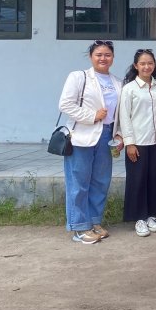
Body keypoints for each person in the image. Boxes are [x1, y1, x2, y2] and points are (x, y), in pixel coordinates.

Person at [58, 40, 123, 244]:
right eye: (99, 54)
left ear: (113, 57)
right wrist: (92, 115)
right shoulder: (79, 77)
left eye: (107, 55)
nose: (103, 58)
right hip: (81, 136)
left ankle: (94, 221)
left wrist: (119, 134)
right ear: (90, 57)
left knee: (100, 181)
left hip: (106, 136)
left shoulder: (117, 82)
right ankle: (79, 227)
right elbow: (65, 104)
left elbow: (119, 113)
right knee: (79, 182)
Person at [118, 49, 156, 238]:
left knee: (155, 179)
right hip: (138, 142)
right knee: (137, 180)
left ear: (154, 64)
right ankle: (139, 218)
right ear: (136, 66)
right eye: (142, 63)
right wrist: (130, 143)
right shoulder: (129, 89)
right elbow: (124, 118)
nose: (146, 66)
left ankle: (152, 215)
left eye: (150, 63)